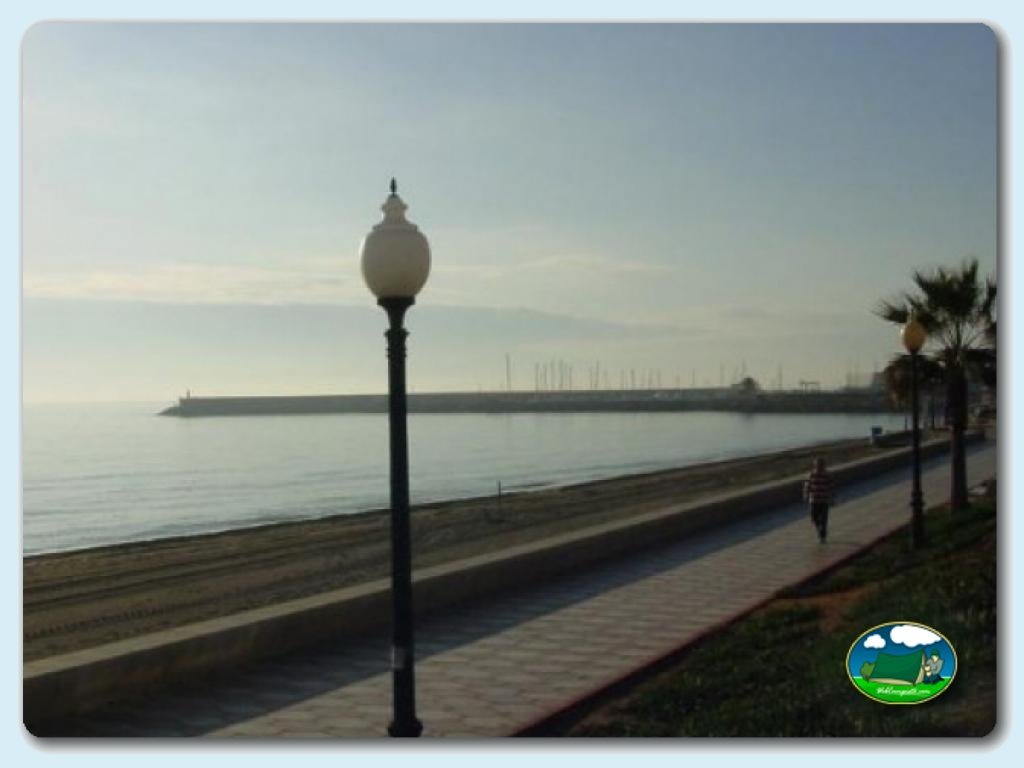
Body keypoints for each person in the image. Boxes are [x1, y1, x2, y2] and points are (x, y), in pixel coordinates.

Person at [803, 457, 835, 543]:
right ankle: (819, 528)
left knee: (824, 519)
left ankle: (822, 535)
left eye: (821, 465)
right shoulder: (810, 475)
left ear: (824, 466)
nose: (819, 467)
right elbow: (807, 486)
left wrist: (832, 498)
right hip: (814, 500)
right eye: (817, 465)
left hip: (824, 500)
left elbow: (831, 488)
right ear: (815, 466)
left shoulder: (828, 476)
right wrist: (806, 495)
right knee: (814, 517)